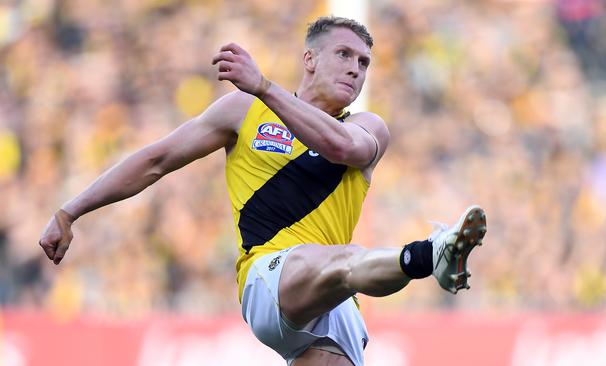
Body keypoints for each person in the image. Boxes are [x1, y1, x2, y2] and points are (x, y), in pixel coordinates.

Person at [38, 16, 487, 366]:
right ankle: (431, 256)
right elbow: (155, 161)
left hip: (333, 300)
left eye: (364, 62)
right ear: (309, 59)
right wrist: (70, 211)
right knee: (343, 262)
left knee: (345, 270)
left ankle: (433, 257)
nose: (355, 68)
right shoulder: (243, 111)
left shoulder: (368, 127)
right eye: (345, 54)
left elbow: (340, 146)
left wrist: (265, 87)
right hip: (268, 279)